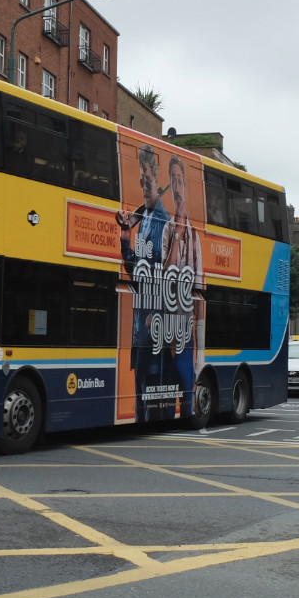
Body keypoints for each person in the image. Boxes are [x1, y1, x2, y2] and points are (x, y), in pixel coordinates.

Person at [119, 143, 171, 421]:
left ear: (157, 177)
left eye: (148, 179)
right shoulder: (146, 217)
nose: (144, 186)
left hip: (153, 330)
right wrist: (126, 240)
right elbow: (136, 272)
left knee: (149, 405)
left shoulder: (162, 220)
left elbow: (158, 275)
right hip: (141, 329)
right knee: (140, 404)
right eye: (141, 180)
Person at [160, 154, 204, 418]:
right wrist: (177, 233)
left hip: (186, 335)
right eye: (172, 181)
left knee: (188, 398)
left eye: (180, 181)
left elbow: (199, 293)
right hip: (164, 334)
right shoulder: (166, 230)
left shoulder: (197, 238)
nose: (176, 187)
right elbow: (165, 275)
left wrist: (201, 353)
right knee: (164, 404)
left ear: (186, 186)